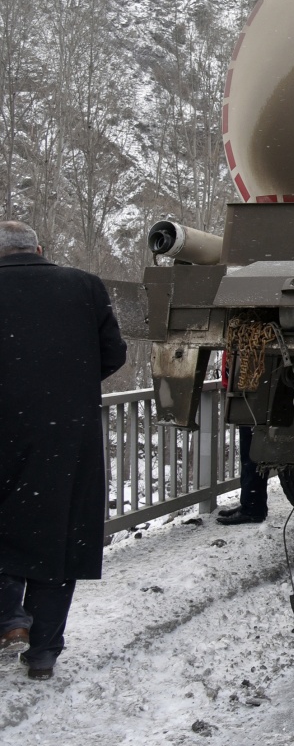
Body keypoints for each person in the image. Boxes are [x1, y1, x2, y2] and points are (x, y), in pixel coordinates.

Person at [0, 221, 127, 680]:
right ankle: (43, 653)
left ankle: (10, 617)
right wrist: (64, 384)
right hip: (66, 436)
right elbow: (113, 354)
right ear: (38, 247)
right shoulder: (84, 285)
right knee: (59, 533)